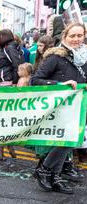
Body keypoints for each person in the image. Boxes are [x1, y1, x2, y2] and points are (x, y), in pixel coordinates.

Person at [31, 23, 87, 194]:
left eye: (80, 35)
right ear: (65, 37)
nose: (76, 39)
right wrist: (60, 84)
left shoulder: (84, 58)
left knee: (71, 141)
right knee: (66, 141)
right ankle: (45, 169)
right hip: (58, 108)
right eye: (73, 36)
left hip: (78, 107)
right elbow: (36, 80)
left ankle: (55, 177)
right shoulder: (55, 57)